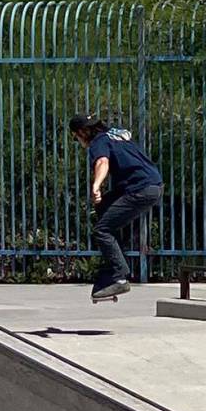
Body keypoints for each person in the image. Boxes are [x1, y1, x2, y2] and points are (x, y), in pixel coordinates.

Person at [69, 114, 163, 300]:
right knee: (104, 206)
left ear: (82, 132)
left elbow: (103, 161)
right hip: (152, 184)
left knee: (102, 230)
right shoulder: (116, 135)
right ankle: (112, 265)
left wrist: (96, 185)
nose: (78, 142)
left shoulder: (98, 141)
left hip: (140, 188)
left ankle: (118, 276)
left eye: (76, 138)